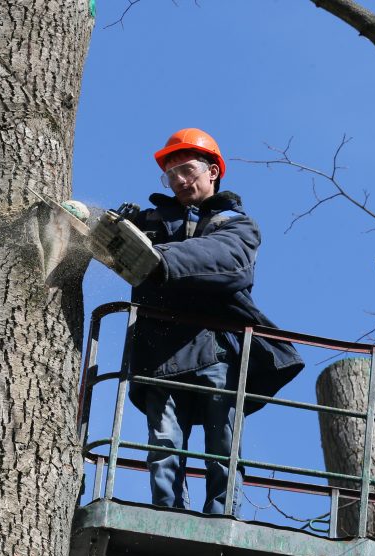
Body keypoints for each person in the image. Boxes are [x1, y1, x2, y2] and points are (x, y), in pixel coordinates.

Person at [125, 128, 304, 515]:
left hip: (213, 347)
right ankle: (165, 513)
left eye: (186, 170)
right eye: (170, 174)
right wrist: (116, 231)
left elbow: (228, 261)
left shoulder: (235, 225)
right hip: (158, 350)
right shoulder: (150, 222)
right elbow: (116, 251)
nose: (178, 180)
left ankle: (221, 513)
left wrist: (159, 258)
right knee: (163, 443)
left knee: (222, 438)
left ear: (212, 171)